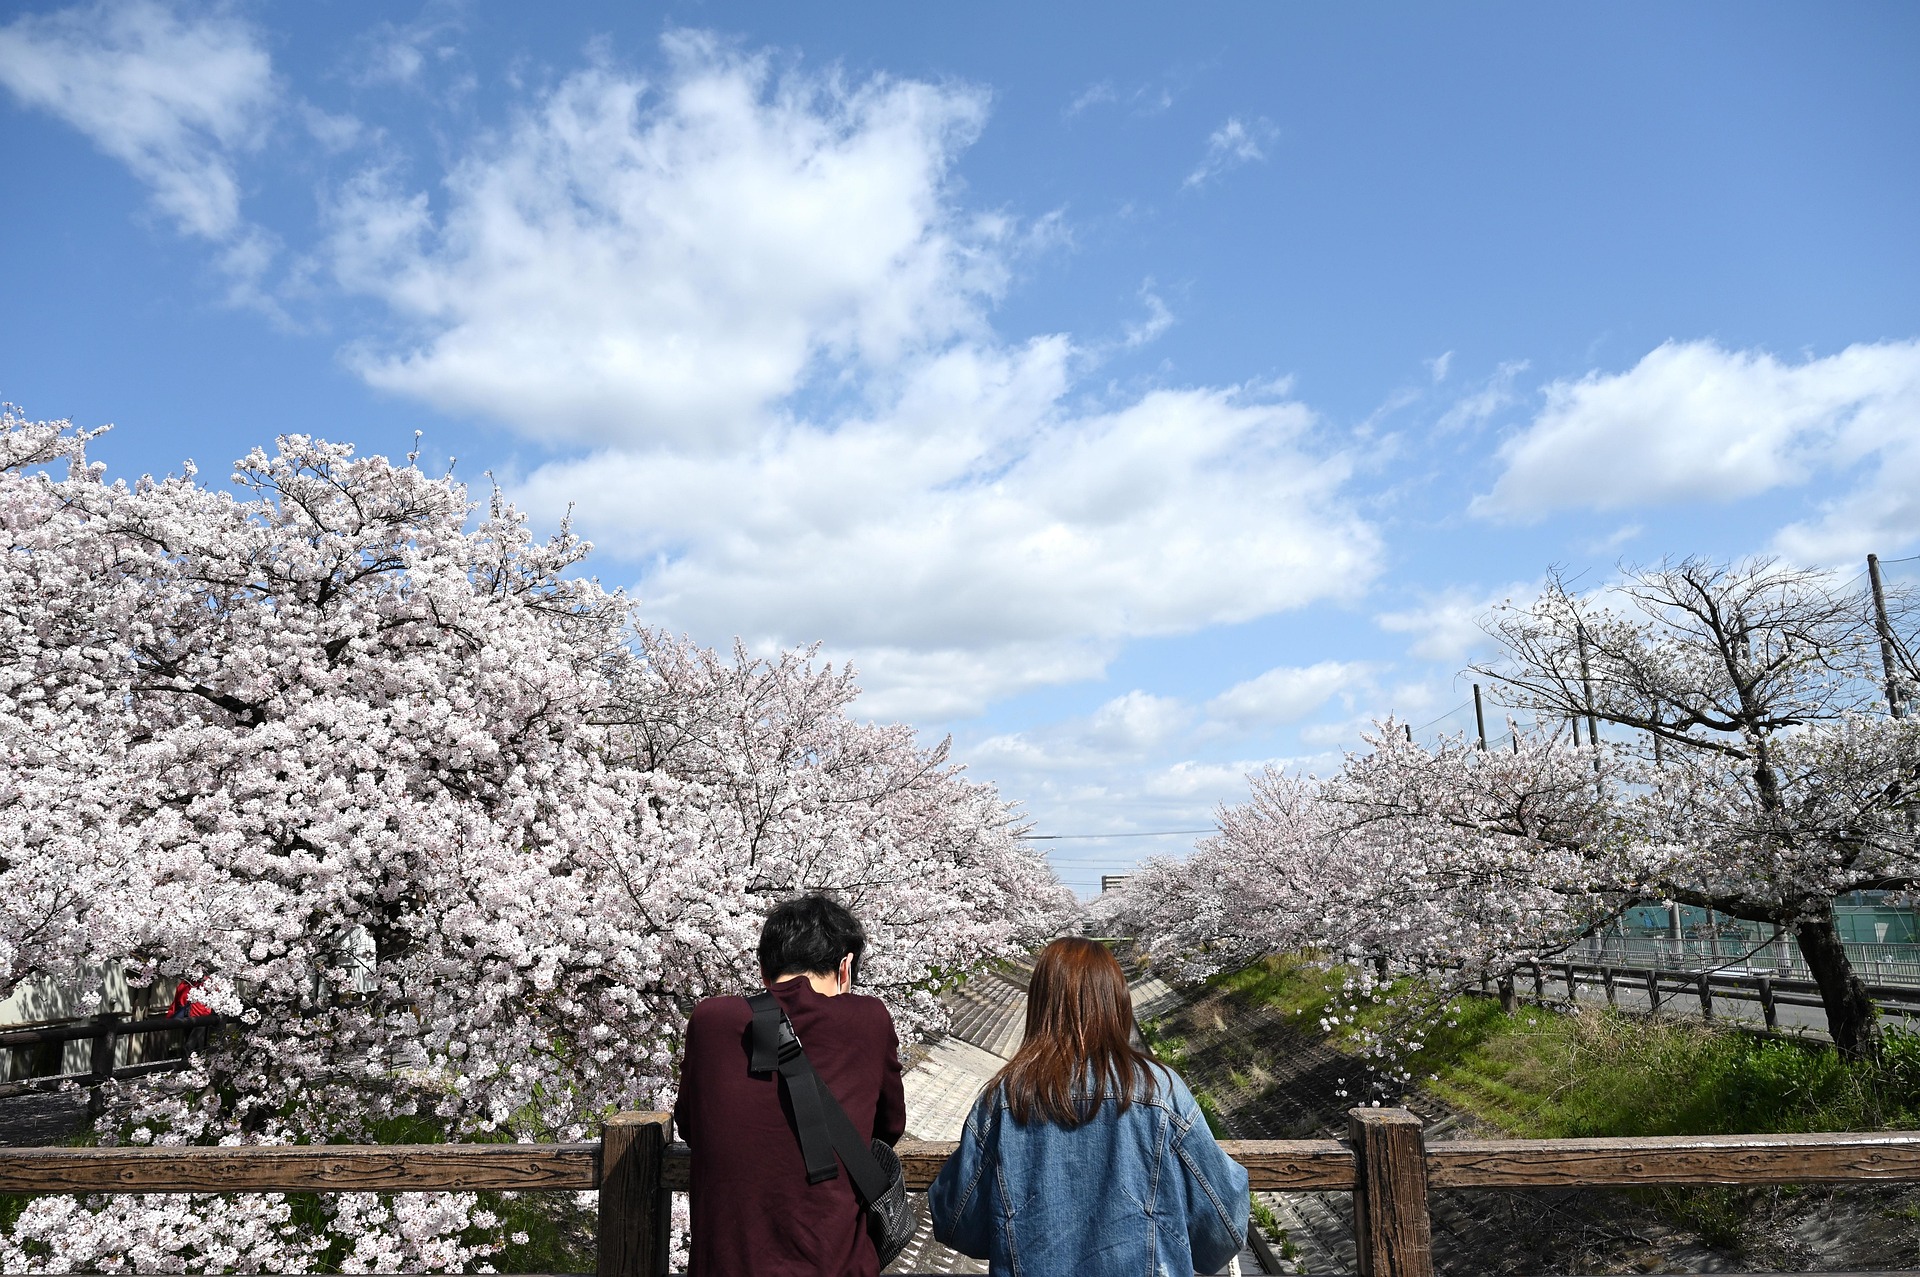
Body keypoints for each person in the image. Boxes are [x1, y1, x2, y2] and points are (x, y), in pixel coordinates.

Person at [929, 936, 1249, 1277]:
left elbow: (957, 1221)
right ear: (1117, 1001)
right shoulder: (1162, 1090)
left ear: (1040, 1003)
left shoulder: (1004, 1097)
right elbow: (1222, 1227)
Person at [675, 894, 907, 1277]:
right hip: (832, 1261)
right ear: (845, 967)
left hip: (728, 1263)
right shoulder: (869, 1019)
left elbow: (690, 1125)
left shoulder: (710, 1019)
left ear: (764, 972)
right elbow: (889, 1127)